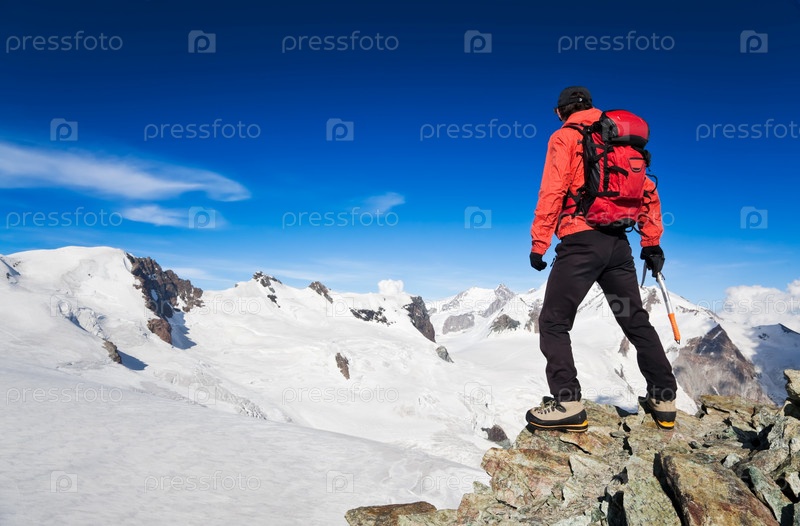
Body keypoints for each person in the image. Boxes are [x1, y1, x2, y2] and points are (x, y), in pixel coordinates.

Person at [525, 86, 678, 432]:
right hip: (618, 245)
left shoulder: (565, 137)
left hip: (581, 241)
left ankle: (568, 404)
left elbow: (552, 190)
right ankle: (664, 399)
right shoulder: (618, 140)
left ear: (561, 111)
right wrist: (651, 243)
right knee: (635, 320)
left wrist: (539, 242)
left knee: (553, 321)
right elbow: (648, 193)